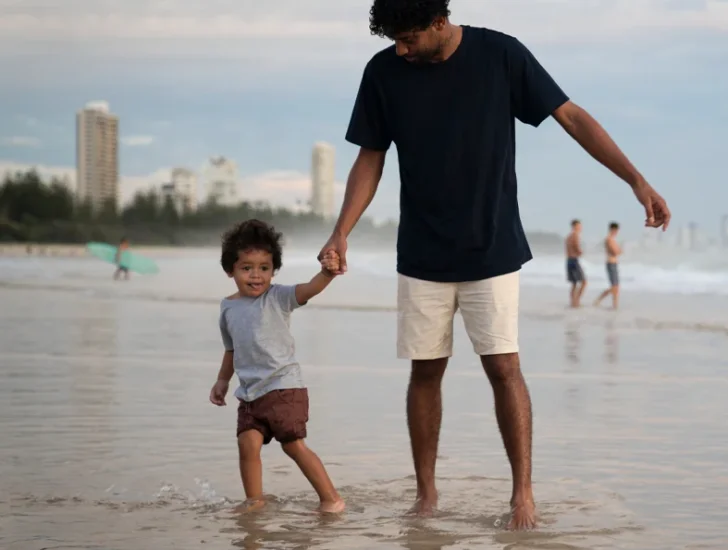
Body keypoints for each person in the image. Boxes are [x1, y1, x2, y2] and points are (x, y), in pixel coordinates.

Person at [318, 0, 670, 530]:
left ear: (439, 22)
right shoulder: (384, 71)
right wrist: (341, 229)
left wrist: (636, 181)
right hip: (421, 250)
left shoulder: (500, 54)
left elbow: (570, 116)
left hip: (493, 248)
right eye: (394, 39)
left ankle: (522, 495)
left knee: (504, 369)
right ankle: (427, 494)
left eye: (409, 37)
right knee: (424, 372)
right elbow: (371, 156)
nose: (401, 49)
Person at [209, 219, 346, 514]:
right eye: (247, 268)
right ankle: (254, 501)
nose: (256, 276)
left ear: (274, 269)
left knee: (293, 445)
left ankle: (331, 498)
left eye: (264, 268)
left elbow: (310, 289)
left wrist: (327, 272)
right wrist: (222, 381)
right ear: (229, 270)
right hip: (249, 394)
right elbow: (232, 348)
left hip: (283, 387)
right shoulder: (228, 307)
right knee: (247, 444)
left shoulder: (278, 297)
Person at [593, 222, 622, 309]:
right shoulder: (609, 239)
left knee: (616, 287)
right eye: (616, 230)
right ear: (613, 229)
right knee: (614, 287)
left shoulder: (612, 240)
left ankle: (615, 305)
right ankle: (598, 299)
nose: (617, 232)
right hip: (611, 263)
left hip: (613, 263)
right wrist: (618, 250)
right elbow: (615, 252)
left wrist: (618, 250)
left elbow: (618, 251)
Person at [565, 219, 587, 308]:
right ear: (574, 226)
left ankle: (573, 303)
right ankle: (576, 302)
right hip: (574, 260)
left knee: (574, 283)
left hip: (569, 261)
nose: (580, 228)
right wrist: (581, 252)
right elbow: (577, 248)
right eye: (579, 226)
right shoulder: (575, 235)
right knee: (584, 282)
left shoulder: (568, 236)